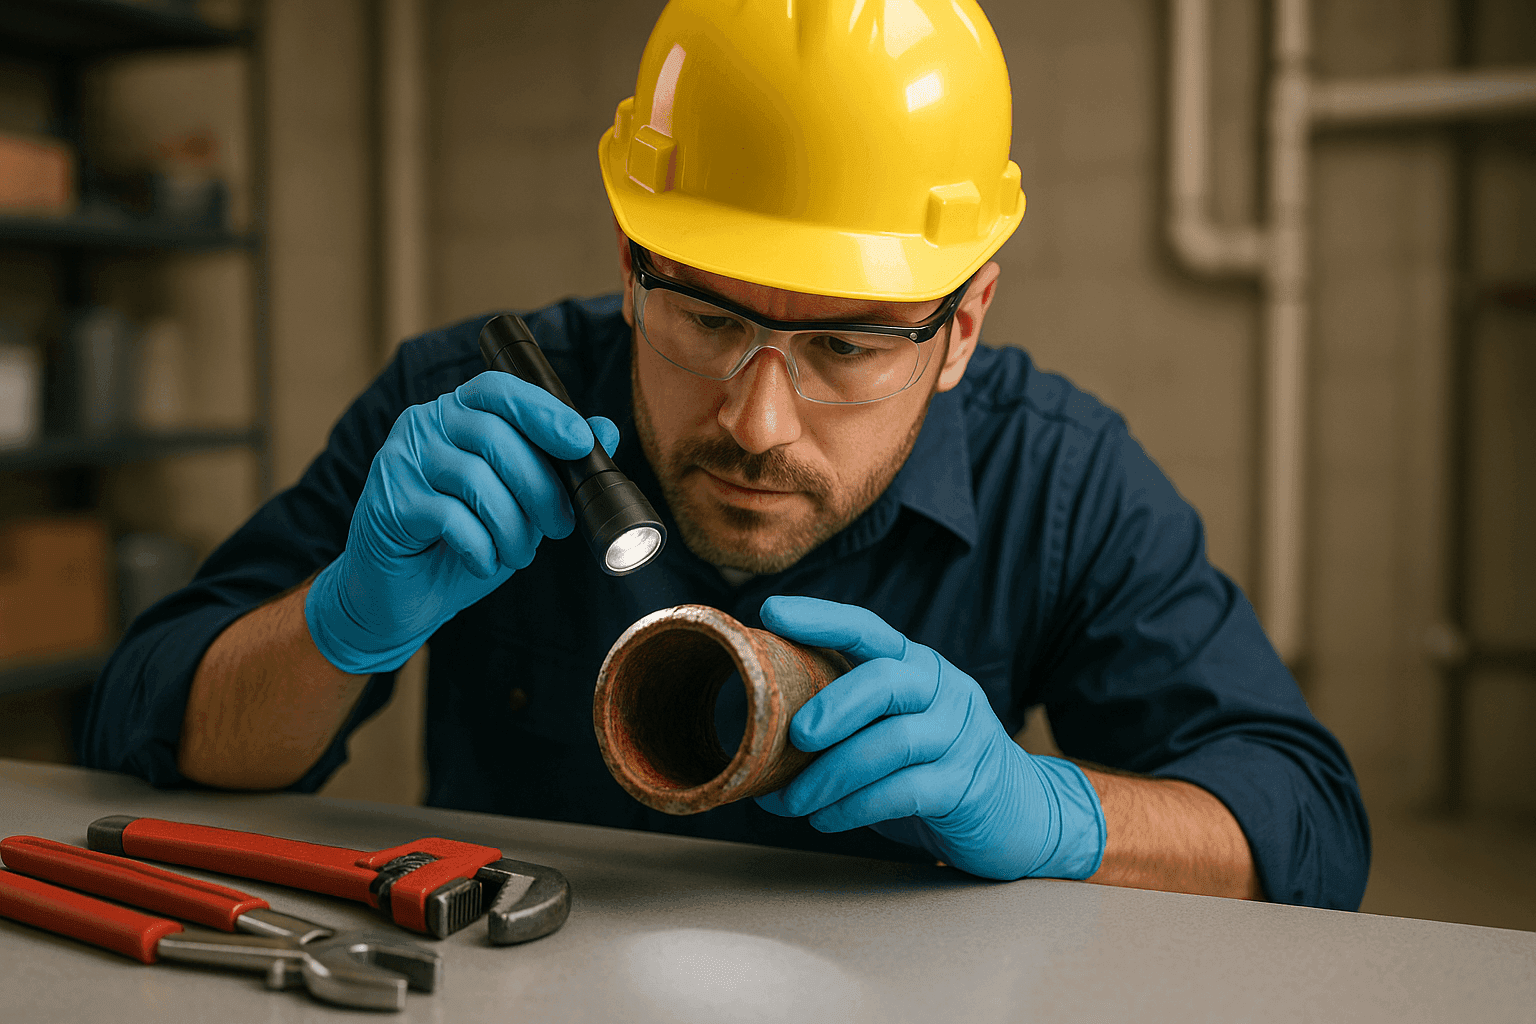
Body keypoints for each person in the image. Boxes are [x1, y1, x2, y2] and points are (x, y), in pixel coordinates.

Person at [79, 0, 1369, 909]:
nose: (759, 421)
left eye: (849, 349)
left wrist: (1053, 811)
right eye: (707, 315)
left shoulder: (1061, 476)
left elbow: (1306, 826)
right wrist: (337, 625)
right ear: (631, 269)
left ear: (962, 324)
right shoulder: (473, 412)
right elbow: (143, 724)